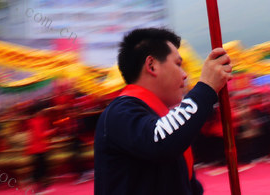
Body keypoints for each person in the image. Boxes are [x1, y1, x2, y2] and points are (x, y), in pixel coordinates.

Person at [94, 27, 232, 195]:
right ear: (151, 65)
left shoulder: (164, 120)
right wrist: (206, 88)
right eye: (178, 64)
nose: (185, 75)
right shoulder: (119, 112)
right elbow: (160, 140)